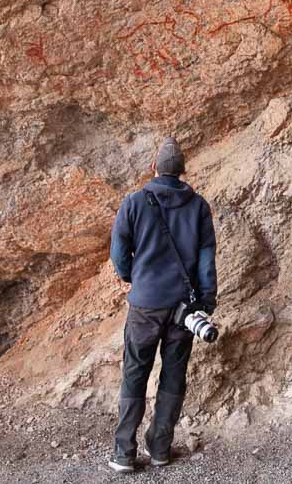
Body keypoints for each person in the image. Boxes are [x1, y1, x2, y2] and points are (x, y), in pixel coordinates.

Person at [107, 136, 218, 472]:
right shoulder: (198, 206)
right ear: (182, 171)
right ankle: (160, 449)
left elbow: (118, 252)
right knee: (173, 375)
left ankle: (124, 453)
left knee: (135, 372)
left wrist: (133, 278)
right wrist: (206, 301)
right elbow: (206, 258)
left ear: (154, 168)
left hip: (145, 305)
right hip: (183, 309)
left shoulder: (134, 202)